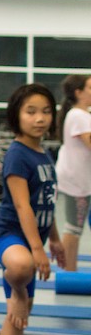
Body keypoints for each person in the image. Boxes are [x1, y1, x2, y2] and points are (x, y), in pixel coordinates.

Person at [0, 83, 64, 335]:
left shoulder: (42, 152)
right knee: (21, 266)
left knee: (19, 315)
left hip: (32, 238)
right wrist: (38, 250)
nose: (39, 118)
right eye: (31, 111)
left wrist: (55, 239)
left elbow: (46, 200)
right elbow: (21, 206)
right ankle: (18, 288)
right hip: (7, 235)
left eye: (45, 111)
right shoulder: (18, 155)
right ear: (16, 115)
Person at [53, 74, 91, 270]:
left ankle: (69, 269)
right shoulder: (79, 116)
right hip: (76, 180)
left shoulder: (82, 115)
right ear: (78, 93)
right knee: (73, 228)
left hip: (79, 178)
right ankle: (68, 271)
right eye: (90, 88)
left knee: (75, 227)